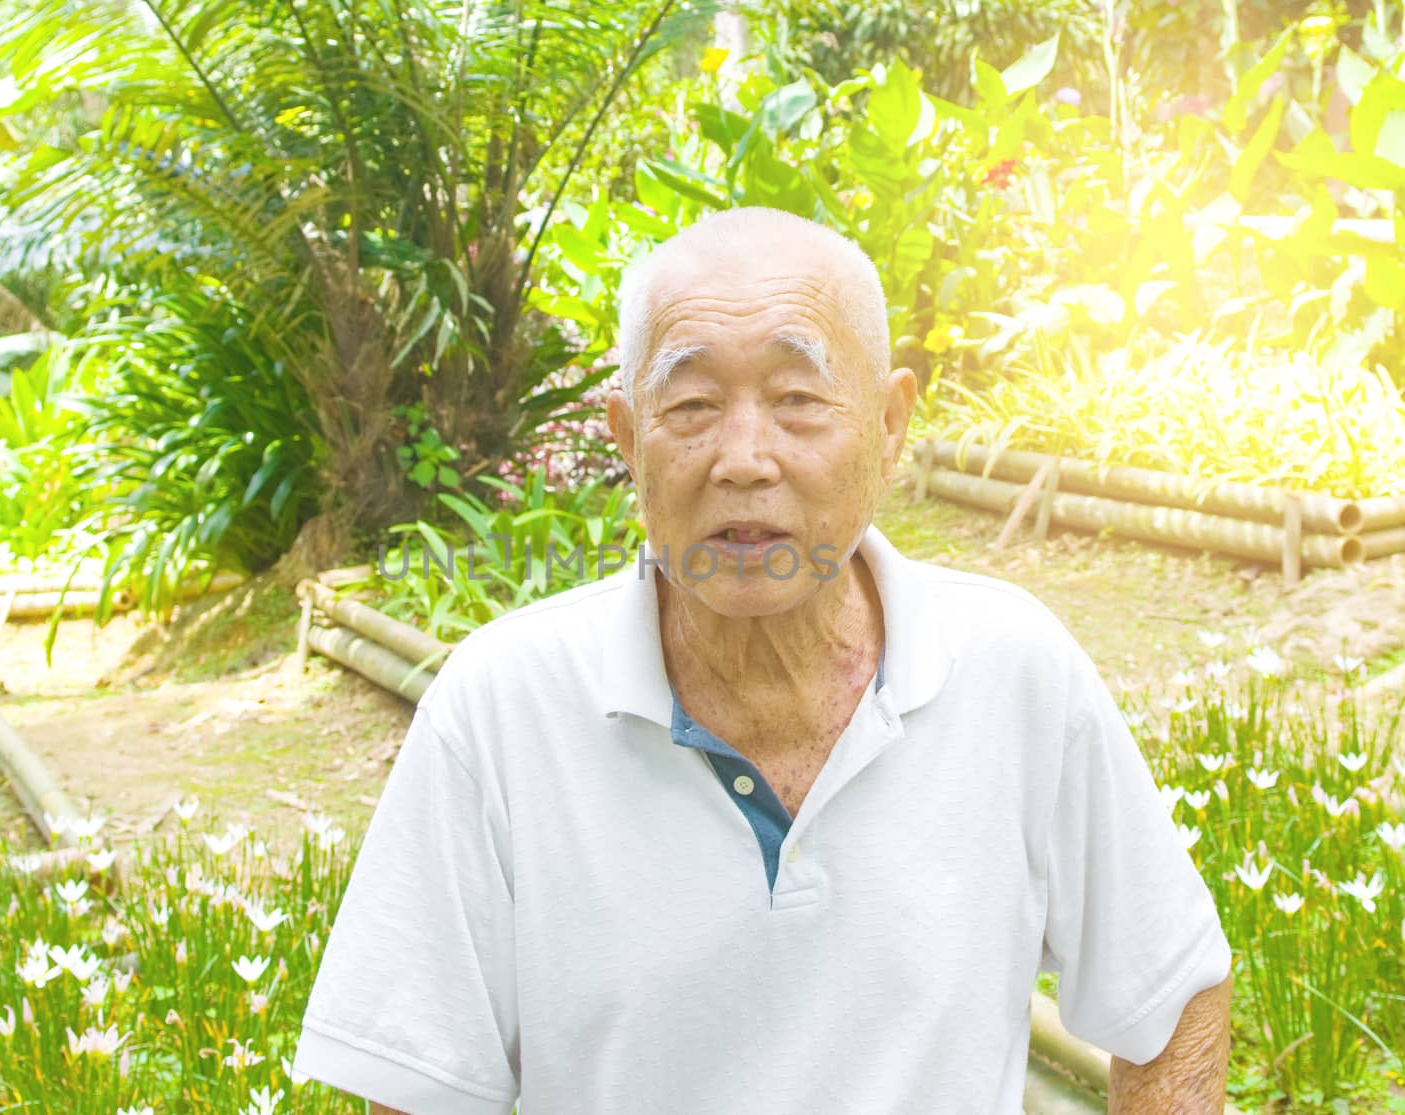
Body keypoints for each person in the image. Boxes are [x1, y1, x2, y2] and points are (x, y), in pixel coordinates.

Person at [294, 207, 1233, 1113]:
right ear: (627, 438)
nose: (744, 458)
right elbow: (423, 1091)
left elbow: (1173, 989)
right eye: (693, 405)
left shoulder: (1013, 671)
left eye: (798, 400)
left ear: (889, 424)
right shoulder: (497, 710)